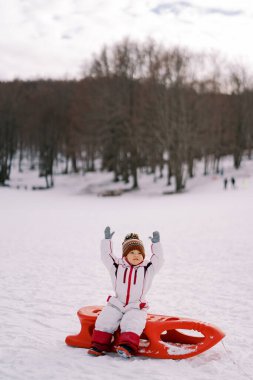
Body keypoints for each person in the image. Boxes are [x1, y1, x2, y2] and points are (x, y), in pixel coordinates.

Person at [88, 226, 164, 359]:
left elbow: (159, 259)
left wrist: (156, 244)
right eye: (132, 252)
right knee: (106, 319)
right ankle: (98, 345)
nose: (136, 255)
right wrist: (107, 241)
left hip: (136, 305)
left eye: (139, 253)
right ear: (125, 254)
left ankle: (127, 346)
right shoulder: (116, 266)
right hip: (117, 302)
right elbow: (106, 256)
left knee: (133, 322)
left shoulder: (148, 268)